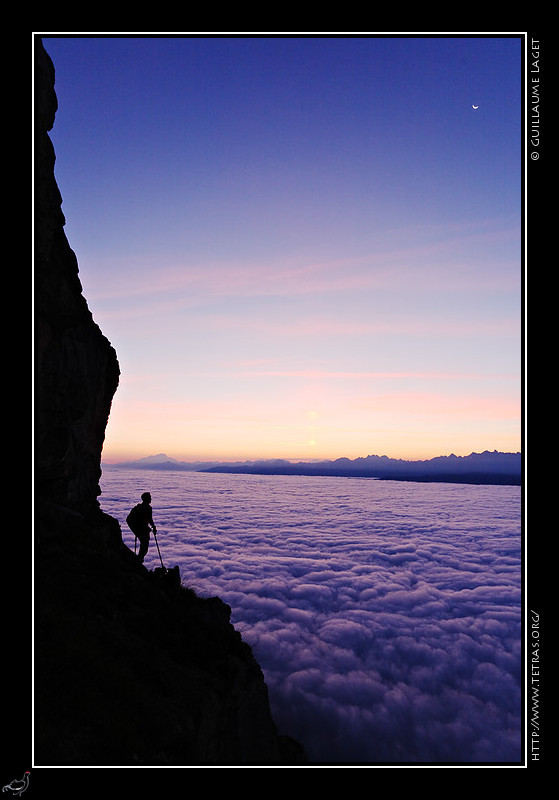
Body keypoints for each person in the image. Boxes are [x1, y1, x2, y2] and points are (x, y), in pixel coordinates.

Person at [126, 492, 157, 563]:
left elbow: (149, 519)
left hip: (144, 529)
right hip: (141, 530)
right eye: (149, 498)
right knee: (144, 545)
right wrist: (136, 530)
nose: (150, 499)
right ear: (145, 499)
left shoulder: (148, 508)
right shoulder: (139, 508)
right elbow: (129, 519)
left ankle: (140, 559)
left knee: (145, 545)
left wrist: (153, 527)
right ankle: (139, 560)